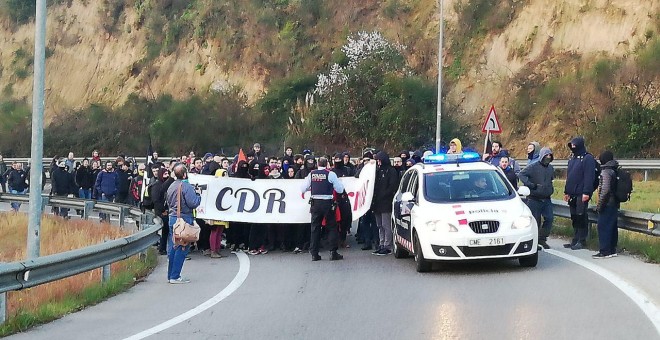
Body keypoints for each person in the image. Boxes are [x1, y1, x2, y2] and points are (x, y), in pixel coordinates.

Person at [300, 157, 347, 261]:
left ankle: (314, 253)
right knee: (331, 227)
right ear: (327, 164)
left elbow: (303, 188)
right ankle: (333, 252)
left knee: (315, 228)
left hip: (315, 203)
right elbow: (339, 190)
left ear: (317, 163)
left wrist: (311, 187)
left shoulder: (311, 174)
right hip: (327, 203)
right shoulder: (330, 174)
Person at [166, 164, 201, 284]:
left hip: (172, 218)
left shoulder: (171, 186)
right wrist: (199, 195)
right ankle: (175, 276)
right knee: (182, 247)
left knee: (173, 246)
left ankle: (171, 274)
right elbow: (193, 203)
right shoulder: (186, 186)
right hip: (183, 219)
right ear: (185, 174)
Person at [563, 136, 597, 250]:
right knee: (574, 216)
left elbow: (589, 177)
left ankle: (582, 240)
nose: (572, 148)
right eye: (571, 145)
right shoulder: (572, 159)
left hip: (582, 193)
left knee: (581, 216)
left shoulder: (587, 158)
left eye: (574, 145)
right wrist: (566, 191)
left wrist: (587, 192)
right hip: (572, 192)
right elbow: (569, 177)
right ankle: (575, 238)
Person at [518, 147, 554, 249]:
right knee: (535, 221)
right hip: (534, 198)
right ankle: (535, 241)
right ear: (542, 156)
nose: (548, 157)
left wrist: (550, 188)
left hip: (547, 198)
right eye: (546, 155)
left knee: (549, 218)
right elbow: (521, 174)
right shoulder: (533, 166)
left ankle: (542, 239)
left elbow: (551, 180)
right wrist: (531, 185)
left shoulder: (551, 168)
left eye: (549, 155)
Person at [371, 151, 399, 256]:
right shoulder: (377, 171)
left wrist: (383, 195)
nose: (377, 162)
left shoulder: (391, 171)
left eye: (378, 160)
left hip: (386, 202)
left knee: (386, 225)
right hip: (377, 202)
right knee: (379, 225)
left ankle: (387, 245)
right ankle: (381, 244)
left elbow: (392, 186)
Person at [593, 151, 619, 259]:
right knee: (612, 227)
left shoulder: (606, 171)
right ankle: (612, 249)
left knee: (603, 227)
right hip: (614, 203)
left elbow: (605, 190)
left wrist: (600, 205)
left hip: (607, 204)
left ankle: (605, 251)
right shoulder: (614, 169)